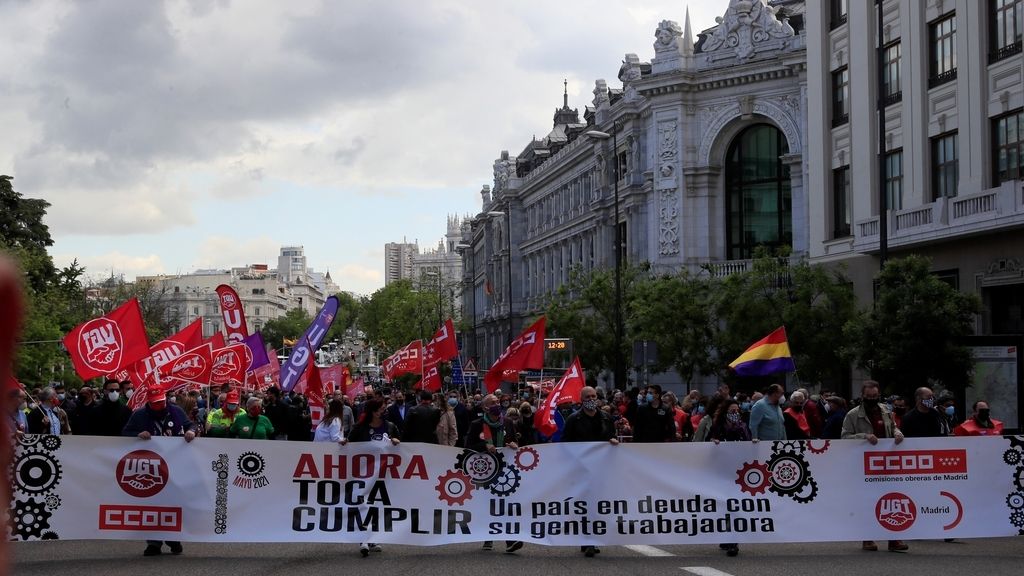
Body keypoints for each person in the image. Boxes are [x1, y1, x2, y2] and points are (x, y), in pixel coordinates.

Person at [122, 382, 196, 557]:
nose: (160, 405)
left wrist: (191, 432)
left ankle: (173, 538)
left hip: (176, 464)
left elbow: (190, 425)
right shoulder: (139, 415)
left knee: (173, 502)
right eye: (156, 403)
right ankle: (154, 542)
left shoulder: (176, 411)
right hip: (151, 467)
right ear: (149, 401)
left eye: (162, 401)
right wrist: (137, 435)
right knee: (153, 503)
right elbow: (126, 432)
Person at [841, 380, 907, 552]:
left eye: (874, 396)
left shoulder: (886, 411)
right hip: (864, 466)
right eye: (868, 396)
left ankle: (894, 539)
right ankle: (867, 538)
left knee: (891, 499)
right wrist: (864, 436)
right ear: (862, 396)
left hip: (887, 463)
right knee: (868, 501)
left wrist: (898, 433)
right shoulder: (852, 415)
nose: (872, 398)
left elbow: (893, 428)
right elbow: (844, 437)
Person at [561, 386, 619, 557]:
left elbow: (610, 436)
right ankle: (588, 540)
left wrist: (613, 441)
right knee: (586, 505)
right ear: (582, 399)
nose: (592, 399)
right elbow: (565, 443)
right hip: (582, 468)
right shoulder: (574, 419)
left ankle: (591, 538)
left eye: (594, 396)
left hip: (601, 468)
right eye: (588, 396)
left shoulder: (606, 418)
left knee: (598, 504)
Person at [341, 398, 400, 557]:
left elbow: (401, 448)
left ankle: (373, 537)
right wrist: (344, 442)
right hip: (362, 474)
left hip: (383, 475)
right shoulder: (359, 428)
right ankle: (363, 539)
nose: (384, 411)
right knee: (362, 505)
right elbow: (349, 445)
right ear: (373, 411)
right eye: (381, 409)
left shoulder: (390, 427)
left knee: (376, 506)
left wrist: (396, 441)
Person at [467, 394, 523, 554]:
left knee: (504, 504)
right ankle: (487, 536)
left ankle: (510, 540)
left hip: (505, 469)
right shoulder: (478, 424)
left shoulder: (507, 422)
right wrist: (484, 446)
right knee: (488, 504)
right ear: (485, 407)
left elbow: (515, 443)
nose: (497, 404)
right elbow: (468, 445)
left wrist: (514, 445)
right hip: (484, 470)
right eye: (493, 402)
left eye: (498, 402)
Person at [707, 399, 751, 556]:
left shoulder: (743, 427)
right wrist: (713, 442)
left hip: (740, 472)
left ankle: (733, 541)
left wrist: (754, 443)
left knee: (735, 506)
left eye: (737, 411)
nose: (735, 414)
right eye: (732, 411)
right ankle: (726, 536)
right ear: (726, 412)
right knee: (725, 505)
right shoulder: (717, 426)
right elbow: (707, 444)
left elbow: (748, 444)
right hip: (722, 471)